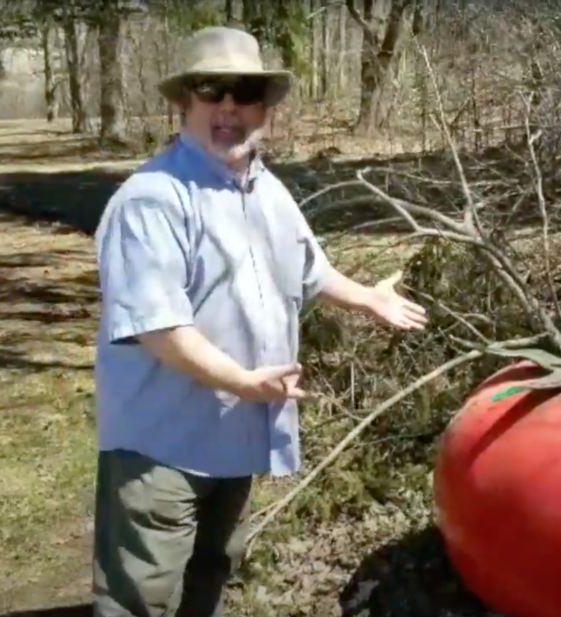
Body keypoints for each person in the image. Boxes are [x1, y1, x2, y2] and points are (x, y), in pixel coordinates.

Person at [91, 26, 428, 617]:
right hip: (162, 446)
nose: (228, 106)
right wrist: (245, 383)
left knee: (212, 577)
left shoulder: (265, 189)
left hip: (235, 435)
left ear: (264, 107)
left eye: (244, 91)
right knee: (141, 597)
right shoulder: (153, 200)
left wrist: (367, 298)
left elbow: (309, 269)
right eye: (211, 89)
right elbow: (159, 328)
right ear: (184, 102)